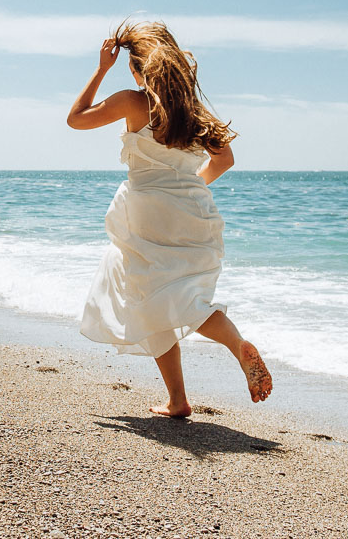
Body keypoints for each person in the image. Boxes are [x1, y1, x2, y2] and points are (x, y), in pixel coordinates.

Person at [66, 20, 272, 417]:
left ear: (136, 68)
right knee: (182, 296)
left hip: (146, 210)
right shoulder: (194, 112)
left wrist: (101, 68)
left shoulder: (133, 101)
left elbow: (77, 119)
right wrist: (193, 186)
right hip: (193, 207)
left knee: (148, 295)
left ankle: (180, 396)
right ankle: (210, 368)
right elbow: (224, 159)